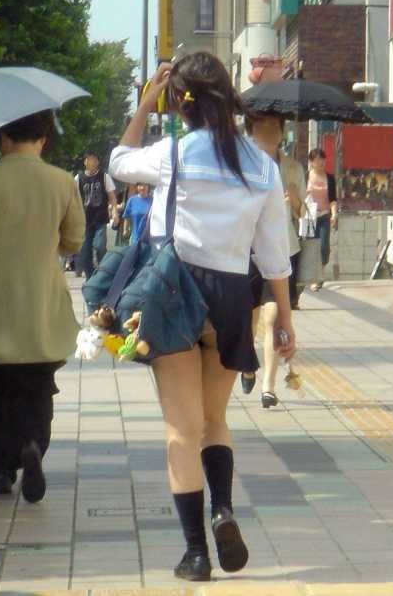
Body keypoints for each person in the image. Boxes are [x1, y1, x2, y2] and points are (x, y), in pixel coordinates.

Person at [109, 53, 296, 582]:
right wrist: (284, 319)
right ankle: (223, 510)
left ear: (180, 102)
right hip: (231, 299)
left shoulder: (173, 152)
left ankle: (195, 553)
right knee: (215, 419)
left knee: (181, 428)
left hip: (175, 293)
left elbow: (119, 161)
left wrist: (146, 100)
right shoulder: (261, 164)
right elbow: (274, 255)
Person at [0, 110, 85, 502]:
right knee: (37, 387)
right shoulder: (62, 182)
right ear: (44, 139)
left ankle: (0, 471)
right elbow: (74, 241)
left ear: (0, 138)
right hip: (42, 303)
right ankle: (33, 445)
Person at [241, 114, 304, 409]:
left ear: (281, 133)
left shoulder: (293, 168)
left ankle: (268, 385)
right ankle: (247, 365)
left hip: (280, 250)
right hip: (246, 251)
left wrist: (293, 199)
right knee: (249, 318)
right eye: (262, 128)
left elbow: (303, 212)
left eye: (274, 128)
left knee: (272, 316)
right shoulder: (240, 165)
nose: (268, 133)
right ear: (250, 132)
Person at [75, 151, 120, 280]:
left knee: (100, 246)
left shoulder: (104, 177)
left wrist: (115, 212)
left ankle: (103, 272)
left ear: (98, 162)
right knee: (85, 252)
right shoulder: (78, 178)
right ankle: (90, 279)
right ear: (85, 162)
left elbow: (112, 196)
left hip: (100, 218)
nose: (92, 162)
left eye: (95, 160)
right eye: (89, 159)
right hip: (85, 220)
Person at [306, 148, 337, 292]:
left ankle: (320, 272)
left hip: (324, 216)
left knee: (324, 247)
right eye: (318, 160)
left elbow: (333, 199)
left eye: (323, 159)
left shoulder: (329, 178)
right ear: (311, 162)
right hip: (309, 217)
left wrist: (334, 214)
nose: (321, 163)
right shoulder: (306, 176)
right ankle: (315, 278)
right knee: (311, 248)